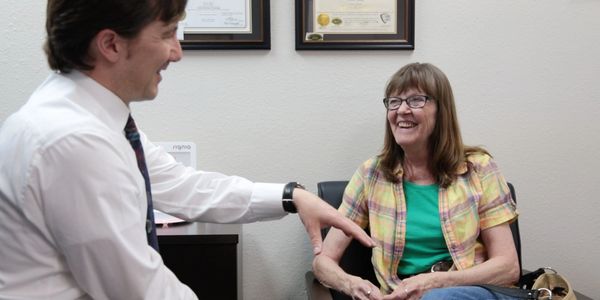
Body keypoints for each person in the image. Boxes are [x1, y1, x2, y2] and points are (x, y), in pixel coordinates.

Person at [0, 1, 375, 299]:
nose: (176, 52)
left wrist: (291, 197)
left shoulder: (89, 120)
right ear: (111, 44)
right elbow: (139, 290)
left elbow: (182, 186)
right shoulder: (75, 141)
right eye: (167, 34)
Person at [312, 62, 520, 300]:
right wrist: (353, 285)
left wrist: (435, 283)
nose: (401, 110)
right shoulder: (371, 175)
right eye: (394, 101)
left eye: (415, 100)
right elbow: (323, 262)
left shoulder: (479, 168)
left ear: (442, 111)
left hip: (471, 291)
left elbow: (508, 267)